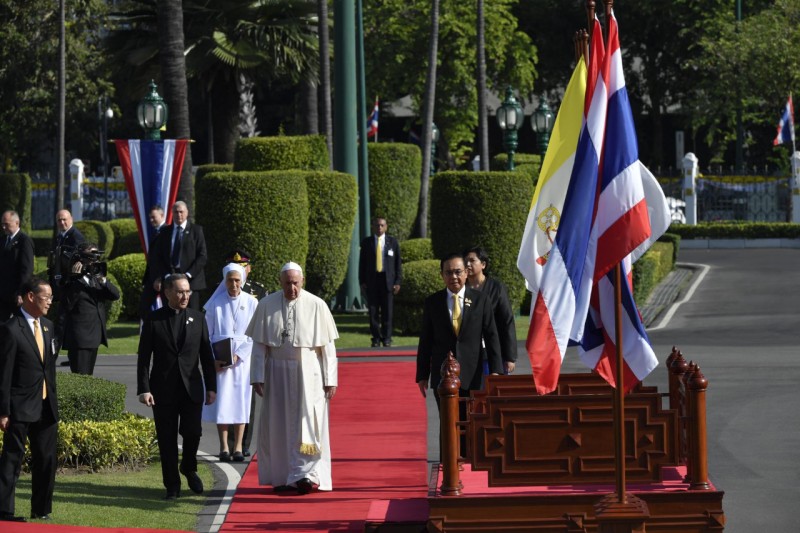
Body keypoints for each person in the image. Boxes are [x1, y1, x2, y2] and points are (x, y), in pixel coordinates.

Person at [246, 262, 339, 495]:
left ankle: (306, 475)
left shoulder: (317, 305)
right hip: (276, 373)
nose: (292, 288)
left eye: (295, 283)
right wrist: (257, 376)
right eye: (287, 283)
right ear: (280, 282)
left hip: (310, 375)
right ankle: (282, 477)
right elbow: (259, 347)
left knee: (308, 423)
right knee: (279, 425)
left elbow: (327, 349)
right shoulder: (267, 305)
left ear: (303, 281)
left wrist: (331, 379)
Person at [137, 274, 217, 500]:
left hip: (191, 388)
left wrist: (211, 387)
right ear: (168, 293)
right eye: (180, 292)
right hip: (162, 390)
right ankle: (172, 485)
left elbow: (206, 356)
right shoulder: (153, 320)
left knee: (193, 432)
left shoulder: (198, 318)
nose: (185, 296)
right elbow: (143, 359)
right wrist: (144, 389)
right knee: (167, 438)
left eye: (188, 291)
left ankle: (188, 467)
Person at [416, 253, 503, 455]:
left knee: (470, 418)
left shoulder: (481, 300)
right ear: (442, 275)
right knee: (447, 419)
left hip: (472, 372)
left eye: (457, 272)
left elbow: (491, 336)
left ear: (466, 273)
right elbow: (425, 341)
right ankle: (449, 462)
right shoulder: (433, 302)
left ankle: (468, 457)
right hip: (442, 374)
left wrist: (496, 371)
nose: (453, 277)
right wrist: (422, 375)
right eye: (448, 273)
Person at [0, 278, 58, 522]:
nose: (50, 302)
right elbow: (3, 374)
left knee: (46, 460)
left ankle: (41, 509)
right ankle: (4, 510)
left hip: (45, 406)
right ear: (31, 297)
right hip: (19, 406)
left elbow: (49, 367)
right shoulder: (10, 329)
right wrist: (3, 411)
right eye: (47, 297)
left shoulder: (48, 326)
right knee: (12, 459)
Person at [201, 264, 258, 463]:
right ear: (224, 281)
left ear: (242, 280)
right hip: (220, 360)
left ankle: (239, 446)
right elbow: (206, 335)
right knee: (223, 402)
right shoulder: (215, 304)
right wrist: (213, 360)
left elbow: (254, 334)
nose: (233, 284)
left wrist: (239, 355)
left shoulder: (251, 302)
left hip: (242, 361)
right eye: (230, 280)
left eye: (237, 280)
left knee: (241, 402)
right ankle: (224, 446)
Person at [225, 249, 267, 457]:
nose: (239, 272)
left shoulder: (258, 291)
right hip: (226, 351)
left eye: (243, 267)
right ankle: (230, 444)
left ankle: (244, 443)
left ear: (248, 269)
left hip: (249, 353)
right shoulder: (222, 289)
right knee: (227, 397)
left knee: (247, 399)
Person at [60, 242, 121, 375]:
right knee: (81, 378)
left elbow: (115, 295)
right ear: (80, 259)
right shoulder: (71, 280)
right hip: (79, 338)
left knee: (89, 376)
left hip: (94, 336)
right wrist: (75, 279)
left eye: (96, 258)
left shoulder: (96, 277)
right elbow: (66, 304)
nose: (93, 262)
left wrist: (104, 281)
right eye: (90, 258)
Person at [464, 246, 517, 375]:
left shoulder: (496, 288)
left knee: (493, 390)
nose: (467, 264)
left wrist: (510, 357)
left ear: (483, 264)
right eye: (465, 261)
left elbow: (507, 321)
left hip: (494, 352)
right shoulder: (461, 289)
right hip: (468, 354)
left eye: (472, 260)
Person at [145, 201, 208, 310]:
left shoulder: (196, 231)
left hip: (191, 282)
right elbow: (158, 257)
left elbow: (202, 256)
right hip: (169, 281)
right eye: (176, 212)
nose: (179, 215)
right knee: (169, 315)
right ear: (172, 213)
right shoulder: (165, 232)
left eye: (181, 212)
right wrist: (164, 276)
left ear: (187, 213)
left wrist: (188, 275)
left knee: (190, 317)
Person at [359, 217, 402, 347]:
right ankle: (376, 338)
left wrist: (398, 281)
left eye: (382, 225)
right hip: (372, 281)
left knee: (387, 311)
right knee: (373, 311)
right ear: (373, 227)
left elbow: (398, 264)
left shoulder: (392, 242)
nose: (379, 228)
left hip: (387, 281)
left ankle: (387, 338)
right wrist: (362, 281)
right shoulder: (367, 243)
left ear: (386, 227)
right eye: (377, 225)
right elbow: (362, 264)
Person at [0, 211, 34, 321]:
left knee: (18, 325)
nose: (4, 227)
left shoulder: (24, 241)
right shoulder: (3, 240)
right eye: (2, 224)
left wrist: (21, 292)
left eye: (7, 224)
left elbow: (26, 269)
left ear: (17, 223)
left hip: (16, 295)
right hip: (3, 294)